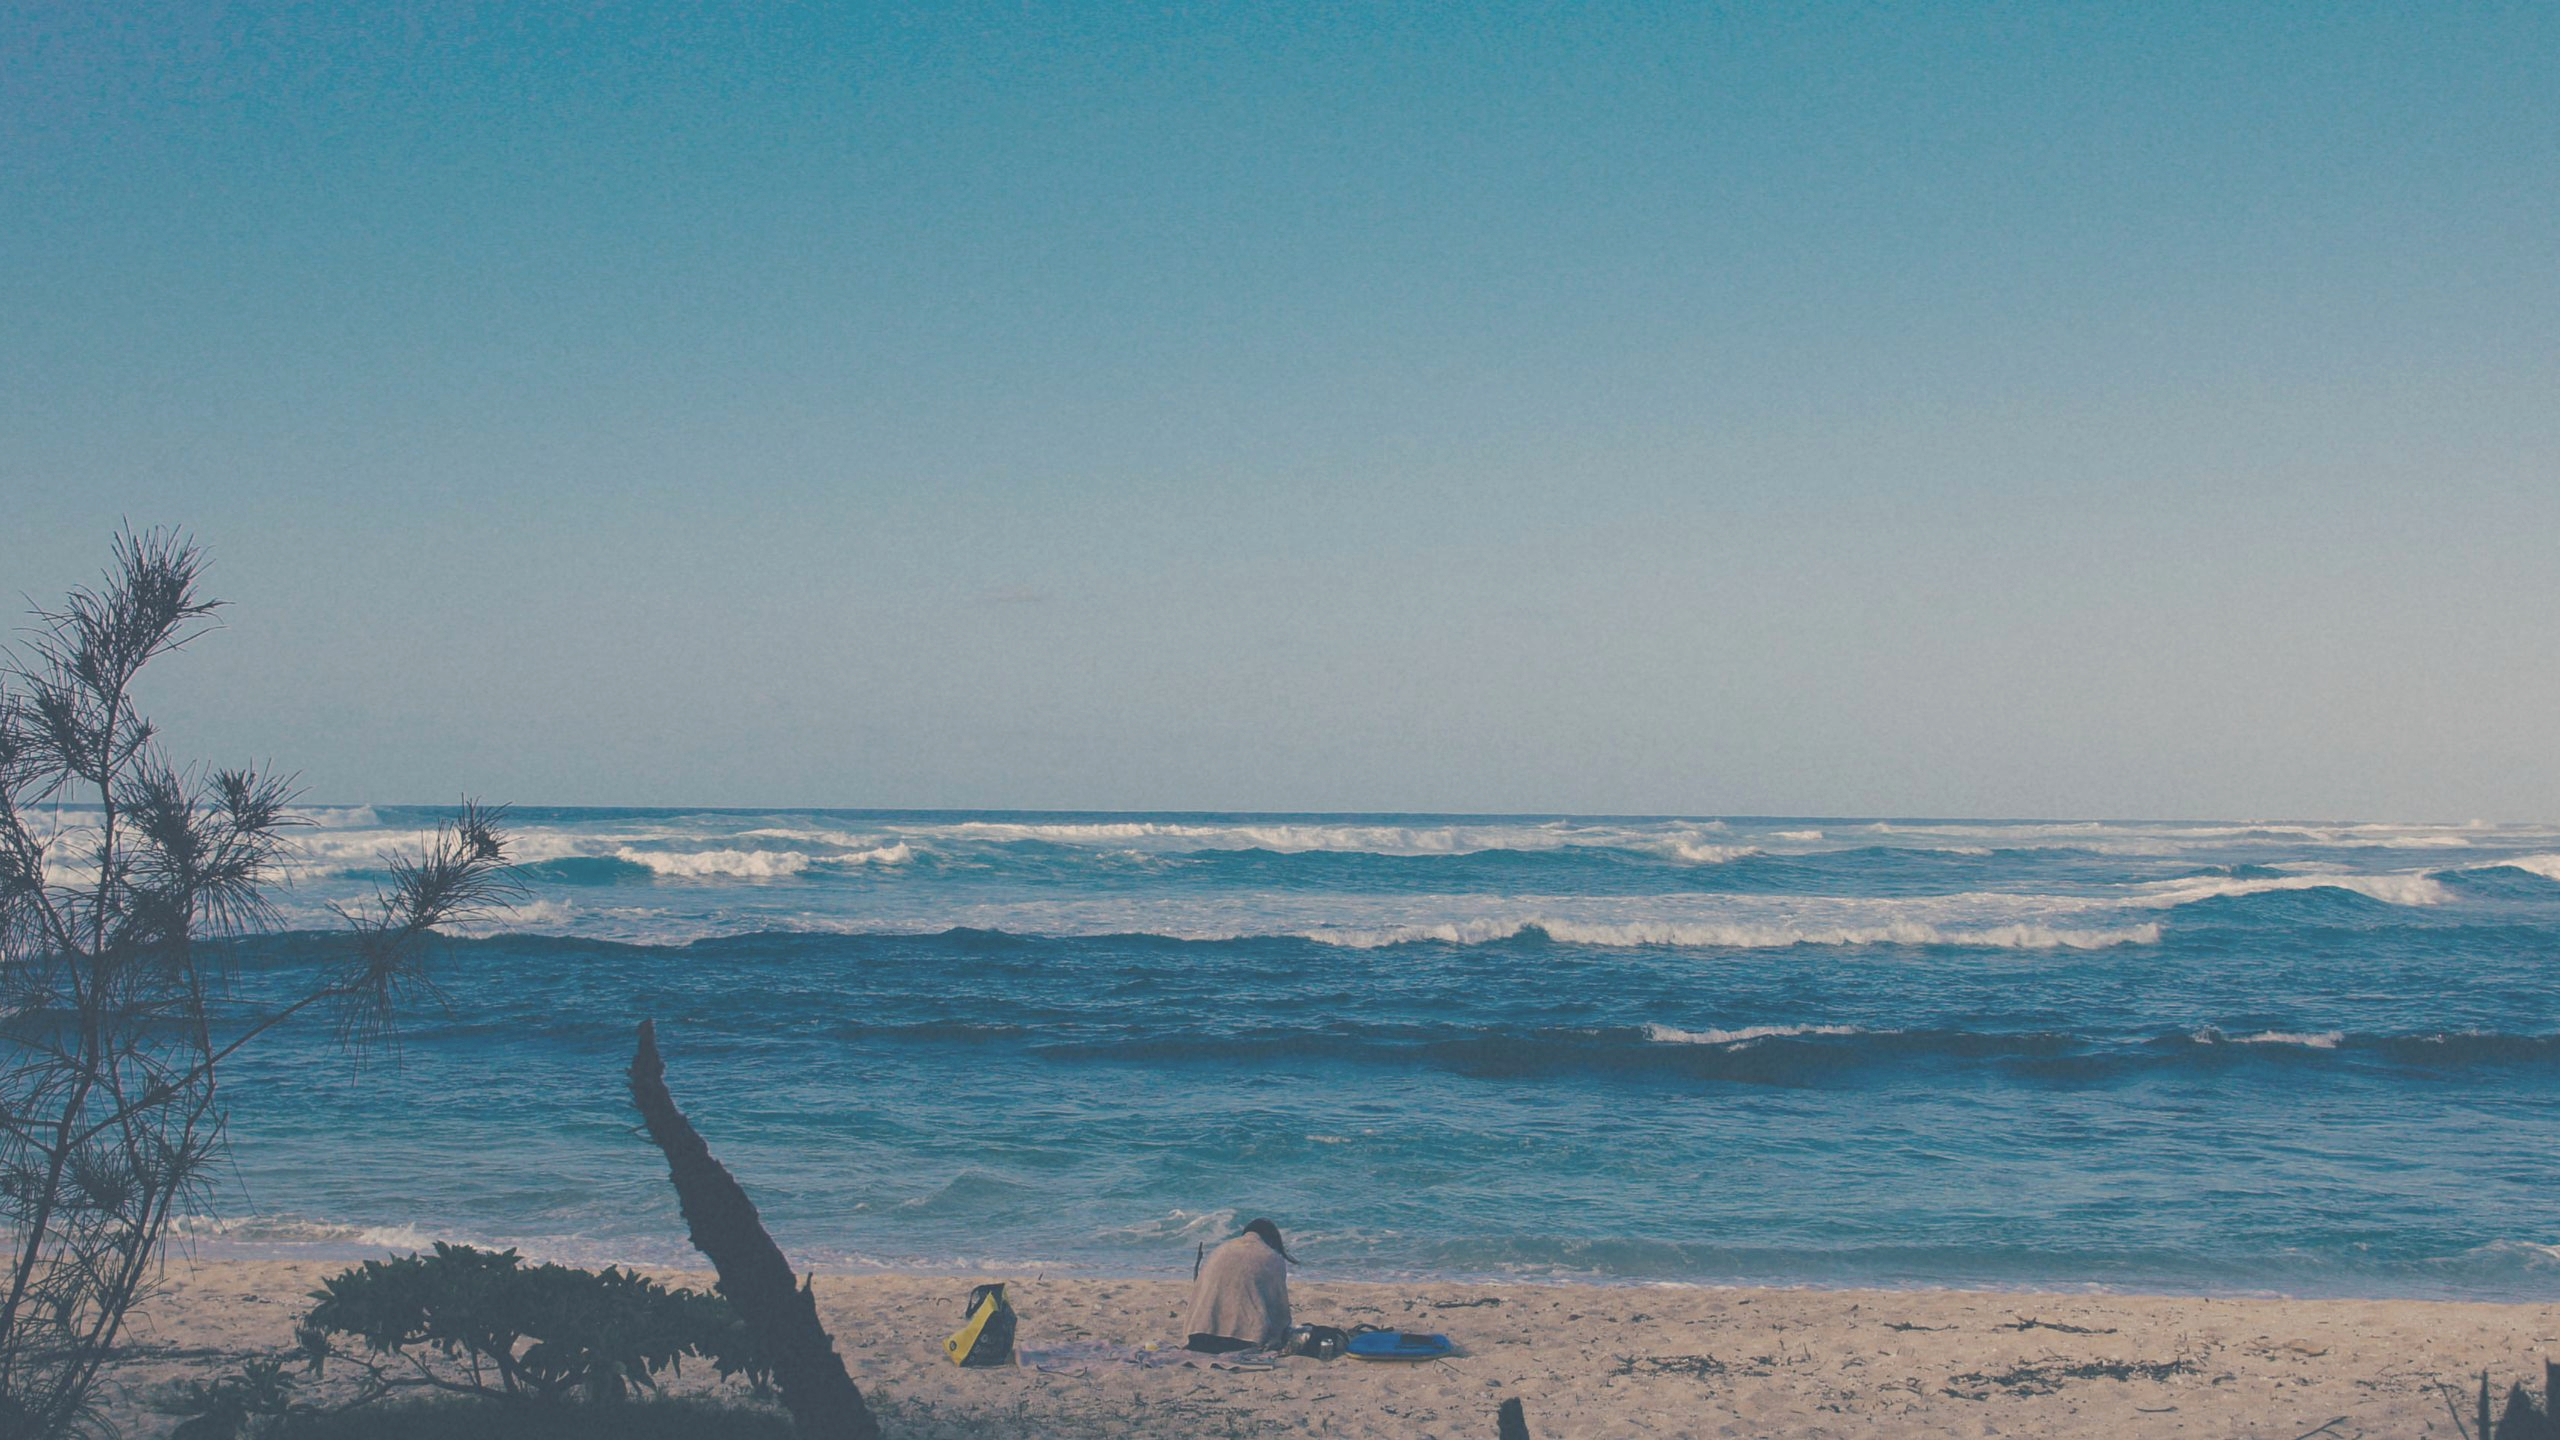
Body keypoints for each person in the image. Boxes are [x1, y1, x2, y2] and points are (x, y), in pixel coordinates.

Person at [1184, 1218, 1293, 1352]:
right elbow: (1279, 1313)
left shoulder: (1221, 1249)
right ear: (1271, 1239)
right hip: (1242, 1343)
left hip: (1197, 1337)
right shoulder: (1271, 1257)